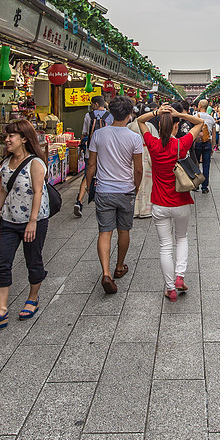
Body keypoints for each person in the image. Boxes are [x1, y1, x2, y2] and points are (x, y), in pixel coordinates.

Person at [0, 119, 51, 333]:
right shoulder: (4, 163)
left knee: (33, 260)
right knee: (3, 262)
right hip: (9, 221)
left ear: (24, 139)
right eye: (7, 135)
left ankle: (33, 298)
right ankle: (1, 310)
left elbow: (38, 192)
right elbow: (3, 190)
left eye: (12, 136)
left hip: (34, 221)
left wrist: (32, 221)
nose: (7, 139)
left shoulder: (35, 163)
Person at [137, 104, 204, 301]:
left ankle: (170, 289)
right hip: (181, 202)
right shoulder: (181, 145)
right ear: (175, 127)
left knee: (165, 246)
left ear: (158, 128)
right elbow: (199, 122)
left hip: (159, 204)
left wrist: (157, 113)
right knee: (181, 238)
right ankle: (179, 278)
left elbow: (140, 120)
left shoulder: (153, 144)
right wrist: (179, 114)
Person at [85, 95, 143, 294]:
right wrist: (136, 187)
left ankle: (106, 272)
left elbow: (91, 164)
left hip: (104, 190)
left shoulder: (99, 135)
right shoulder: (135, 138)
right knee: (124, 230)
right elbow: (138, 169)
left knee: (105, 231)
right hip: (125, 190)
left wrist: (86, 186)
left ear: (112, 113)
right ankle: (119, 267)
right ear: (129, 115)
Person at [74, 95, 113, 218]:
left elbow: (84, 133)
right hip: (105, 151)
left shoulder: (88, 116)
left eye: (92, 104)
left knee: (87, 175)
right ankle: (104, 196)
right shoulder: (110, 116)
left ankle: (79, 202)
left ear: (96, 104)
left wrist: (82, 147)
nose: (91, 106)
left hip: (90, 150)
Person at [129, 116, 156, 218]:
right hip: (147, 153)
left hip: (133, 155)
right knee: (147, 183)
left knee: (134, 180)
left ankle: (135, 209)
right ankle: (146, 209)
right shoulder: (149, 126)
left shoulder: (130, 126)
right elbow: (155, 140)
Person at [194, 99, 217, 194]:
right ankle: (204, 186)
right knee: (206, 165)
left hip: (198, 142)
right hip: (207, 142)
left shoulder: (195, 117)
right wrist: (212, 146)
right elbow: (214, 135)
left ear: (199, 105)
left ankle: (195, 184)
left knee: (196, 165)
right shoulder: (211, 119)